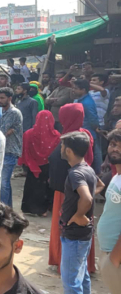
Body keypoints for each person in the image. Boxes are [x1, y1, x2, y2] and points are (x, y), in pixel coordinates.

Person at [58, 131, 103, 294]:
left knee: (70, 281)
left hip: (75, 235)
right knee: (81, 277)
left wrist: (78, 214)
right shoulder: (87, 169)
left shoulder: (76, 173)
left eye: (62, 146)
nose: (60, 149)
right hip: (82, 235)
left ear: (68, 150)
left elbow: (86, 197)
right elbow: (99, 186)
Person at [48, 104, 96, 275]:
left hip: (69, 190)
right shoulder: (81, 135)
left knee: (68, 225)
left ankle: (66, 263)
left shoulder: (73, 139)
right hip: (74, 187)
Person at [98, 129, 121, 294]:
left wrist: (114, 258)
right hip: (110, 253)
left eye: (120, 145)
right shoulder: (116, 177)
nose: (115, 149)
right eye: (113, 144)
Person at [18, 111, 59, 217]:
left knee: (32, 185)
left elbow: (25, 150)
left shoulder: (28, 134)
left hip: (32, 165)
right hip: (48, 166)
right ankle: (43, 209)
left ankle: (29, 208)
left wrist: (30, 163)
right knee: (45, 187)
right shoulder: (56, 136)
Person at [0, 87, 23, 207]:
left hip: (10, 151)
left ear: (10, 98)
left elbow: (1, 131)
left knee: (3, 183)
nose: (0, 101)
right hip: (5, 151)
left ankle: (4, 210)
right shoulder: (5, 112)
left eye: (2, 98)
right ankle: (7, 208)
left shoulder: (13, 112)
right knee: (4, 183)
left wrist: (4, 132)